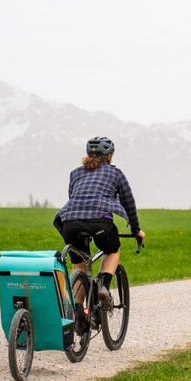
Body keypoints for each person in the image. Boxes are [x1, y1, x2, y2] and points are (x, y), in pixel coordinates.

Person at [54, 136, 145, 319]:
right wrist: (136, 230)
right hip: (100, 222)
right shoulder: (116, 173)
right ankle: (103, 286)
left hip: (70, 223)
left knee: (79, 265)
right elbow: (128, 203)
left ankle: (78, 311)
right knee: (112, 250)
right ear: (110, 156)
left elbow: (74, 198)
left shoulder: (75, 173)